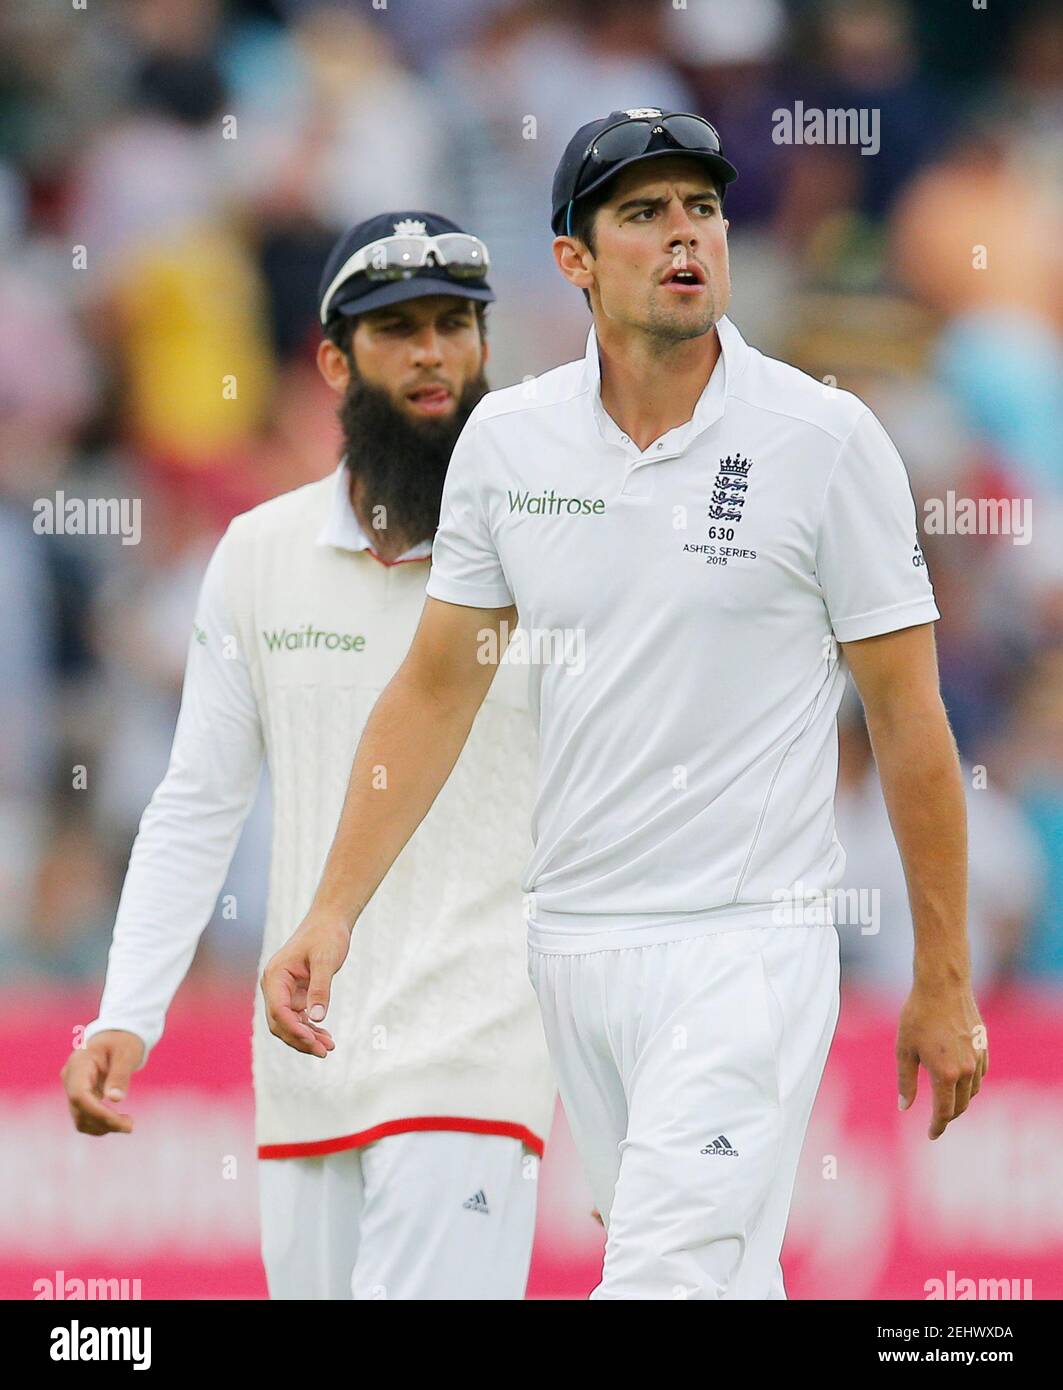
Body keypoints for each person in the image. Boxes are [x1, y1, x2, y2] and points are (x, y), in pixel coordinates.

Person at [263, 111, 986, 1301]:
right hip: (573, 949)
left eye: (698, 207)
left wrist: (942, 971)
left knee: (660, 1282)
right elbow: (436, 688)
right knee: (721, 1275)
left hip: (747, 942)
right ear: (574, 259)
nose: (682, 235)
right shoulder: (511, 441)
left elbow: (909, 717)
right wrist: (333, 909)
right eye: (643, 215)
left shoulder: (823, 439)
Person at [62, 212, 556, 1302]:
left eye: (452, 325)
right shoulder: (258, 554)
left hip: (475, 1054)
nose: (431, 352)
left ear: (484, 345)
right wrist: (128, 1012)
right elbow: (197, 802)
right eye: (396, 330)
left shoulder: (547, 554)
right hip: (306, 1067)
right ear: (333, 360)